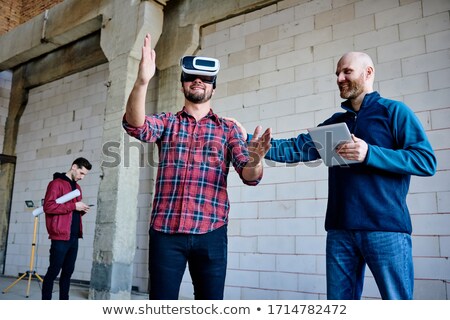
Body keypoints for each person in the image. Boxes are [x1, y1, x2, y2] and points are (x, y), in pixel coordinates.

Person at [234, 52, 437, 299]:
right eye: (337, 74)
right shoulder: (336, 122)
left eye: (347, 72)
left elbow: (425, 161)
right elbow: (296, 149)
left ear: (368, 72)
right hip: (340, 230)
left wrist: (369, 153)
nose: (340, 78)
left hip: (386, 229)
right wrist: (245, 140)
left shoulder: (394, 112)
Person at [122, 33, 271, 300]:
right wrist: (143, 81)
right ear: (182, 85)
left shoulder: (228, 129)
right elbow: (136, 125)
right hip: (166, 233)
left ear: (214, 86)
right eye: (191, 77)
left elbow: (249, 176)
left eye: (206, 79)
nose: (198, 81)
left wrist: (256, 160)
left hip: (211, 233)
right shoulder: (167, 122)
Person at [41, 157, 92, 300]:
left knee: (68, 273)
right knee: (53, 271)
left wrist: (81, 210)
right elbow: (48, 207)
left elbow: (70, 211)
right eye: (81, 173)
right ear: (74, 167)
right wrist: (74, 206)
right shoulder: (56, 184)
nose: (82, 177)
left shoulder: (78, 187)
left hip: (74, 236)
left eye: (84, 175)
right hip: (60, 236)